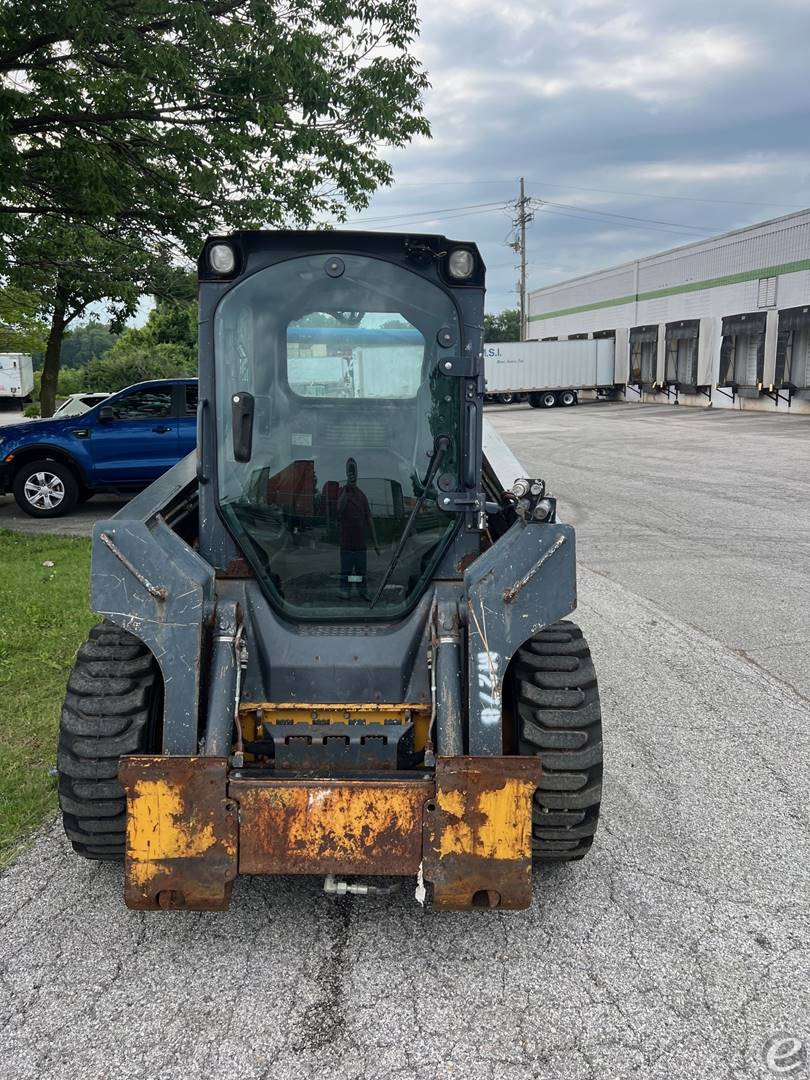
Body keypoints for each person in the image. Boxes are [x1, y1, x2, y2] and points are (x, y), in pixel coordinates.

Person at [337, 457, 380, 599]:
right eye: (350, 471)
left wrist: (375, 543)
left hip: (360, 544)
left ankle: (362, 591)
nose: (352, 475)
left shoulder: (362, 496)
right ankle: (345, 590)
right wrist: (347, 489)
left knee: (362, 571)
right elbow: (339, 508)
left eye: (354, 471)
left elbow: (369, 519)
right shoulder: (343, 492)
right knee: (346, 570)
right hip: (346, 543)